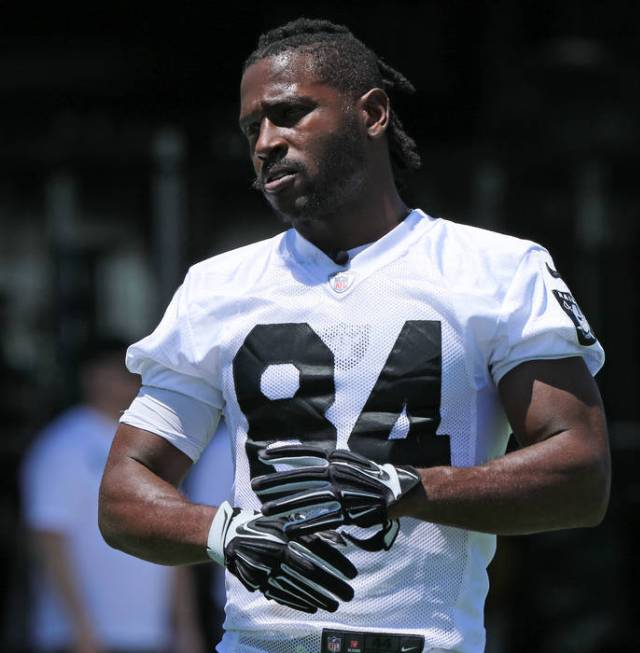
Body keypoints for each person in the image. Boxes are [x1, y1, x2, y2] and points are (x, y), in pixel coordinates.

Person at [98, 17, 610, 653]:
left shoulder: (498, 269)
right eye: (251, 127)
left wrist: (413, 487)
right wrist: (223, 533)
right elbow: (123, 492)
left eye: (289, 113)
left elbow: (581, 473)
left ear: (371, 113)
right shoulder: (216, 288)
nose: (265, 141)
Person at [21, 339, 205, 653]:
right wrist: (80, 628)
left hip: (151, 635)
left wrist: (185, 627)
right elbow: (48, 539)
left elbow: (173, 537)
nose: (136, 380)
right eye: (126, 371)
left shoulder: (155, 445)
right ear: (93, 377)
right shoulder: (63, 445)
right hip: (84, 638)